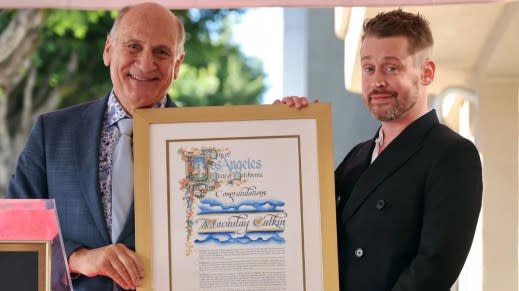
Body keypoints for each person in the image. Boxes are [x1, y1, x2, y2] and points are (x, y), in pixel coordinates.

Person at [277, 9, 482, 291]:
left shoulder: (452, 153)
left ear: (426, 72)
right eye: (368, 68)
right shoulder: (356, 157)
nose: (376, 81)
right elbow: (304, 220)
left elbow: (433, 268)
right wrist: (286, 133)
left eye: (391, 67)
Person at [8, 2, 185, 290]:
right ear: (108, 50)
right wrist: (78, 258)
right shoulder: (51, 133)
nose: (145, 63)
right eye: (133, 46)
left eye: (162, 52)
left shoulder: (204, 141)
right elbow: (14, 232)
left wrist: (284, 123)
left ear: (177, 65)